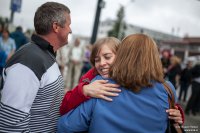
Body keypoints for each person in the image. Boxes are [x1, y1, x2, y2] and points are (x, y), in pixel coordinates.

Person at [58, 34, 183, 133]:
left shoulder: (102, 84)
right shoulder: (167, 89)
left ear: (122, 56)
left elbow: (65, 126)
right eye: (97, 60)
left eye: (108, 57)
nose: (102, 63)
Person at [0, 2, 71, 132]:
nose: (70, 30)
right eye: (68, 25)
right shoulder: (29, 60)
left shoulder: (44, 54)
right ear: (56, 27)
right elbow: (11, 123)